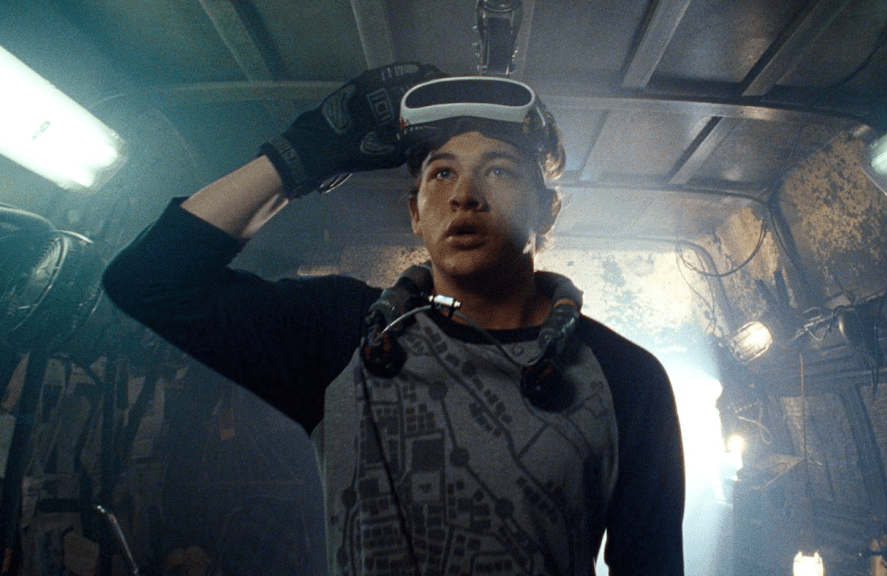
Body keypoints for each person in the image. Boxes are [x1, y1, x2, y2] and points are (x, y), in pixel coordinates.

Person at [103, 62, 684, 575]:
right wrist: (300, 155)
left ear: (547, 210)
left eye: (500, 171)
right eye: (442, 173)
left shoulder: (626, 378)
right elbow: (148, 279)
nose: (465, 195)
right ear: (414, 213)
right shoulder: (344, 333)